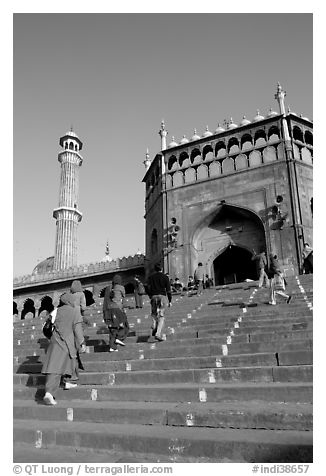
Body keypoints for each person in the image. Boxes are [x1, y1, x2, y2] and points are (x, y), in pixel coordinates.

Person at [42, 293, 86, 405]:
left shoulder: (56, 310)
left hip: (55, 340)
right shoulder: (74, 310)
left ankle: (67, 382)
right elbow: (77, 328)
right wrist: (82, 342)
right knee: (57, 367)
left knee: (60, 363)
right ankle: (49, 393)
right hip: (67, 341)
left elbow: (48, 324)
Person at [103, 275, 129, 351]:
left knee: (113, 328)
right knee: (125, 325)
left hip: (108, 310)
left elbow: (105, 301)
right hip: (117, 309)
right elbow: (123, 298)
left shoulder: (108, 288)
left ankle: (112, 346)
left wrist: (105, 313)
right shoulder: (120, 287)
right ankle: (118, 338)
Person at [147, 263, 172, 342]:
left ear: (154, 269)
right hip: (162, 297)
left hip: (154, 297)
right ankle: (158, 333)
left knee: (154, 314)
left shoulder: (151, 277)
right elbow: (168, 290)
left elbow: (147, 288)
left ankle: (154, 326)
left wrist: (150, 295)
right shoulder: (165, 277)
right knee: (161, 316)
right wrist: (170, 300)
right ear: (161, 268)